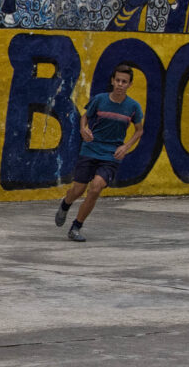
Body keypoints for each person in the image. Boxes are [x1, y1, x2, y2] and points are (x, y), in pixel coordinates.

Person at [55, 64, 144, 242]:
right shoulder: (100, 100)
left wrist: (125, 147)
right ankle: (65, 204)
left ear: (129, 85)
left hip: (111, 155)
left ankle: (76, 227)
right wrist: (83, 129)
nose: (120, 84)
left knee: (95, 188)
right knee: (78, 190)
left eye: (124, 82)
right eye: (117, 80)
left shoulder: (133, 107)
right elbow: (85, 116)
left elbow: (139, 130)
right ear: (112, 81)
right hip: (90, 149)